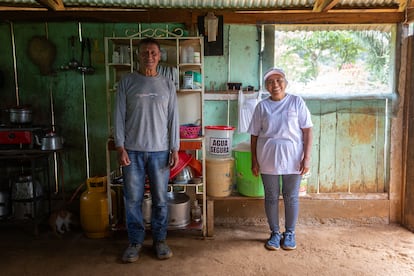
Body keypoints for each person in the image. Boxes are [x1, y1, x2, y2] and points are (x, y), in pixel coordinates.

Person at [113, 37, 180, 263]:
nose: (149, 57)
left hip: (160, 151)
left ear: (159, 56)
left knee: (161, 199)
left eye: (153, 53)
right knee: (132, 199)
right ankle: (135, 242)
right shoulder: (127, 82)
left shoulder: (168, 85)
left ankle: (160, 240)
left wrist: (175, 148)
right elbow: (118, 117)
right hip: (132, 151)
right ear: (138, 56)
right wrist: (120, 146)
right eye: (144, 53)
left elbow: (173, 119)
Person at [248, 68, 313, 251]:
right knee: (271, 196)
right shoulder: (262, 106)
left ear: (285, 82)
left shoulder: (296, 102)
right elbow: (253, 135)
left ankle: (290, 233)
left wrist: (306, 158)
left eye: (279, 80)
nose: (275, 85)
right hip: (268, 156)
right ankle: (275, 233)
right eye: (270, 82)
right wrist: (254, 161)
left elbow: (307, 130)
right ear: (266, 86)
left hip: (293, 156)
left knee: (291, 196)